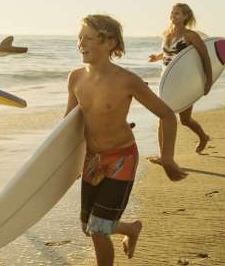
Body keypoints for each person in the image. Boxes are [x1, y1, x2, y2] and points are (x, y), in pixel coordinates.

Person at [68, 15, 187, 266]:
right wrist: (69, 163)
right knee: (88, 227)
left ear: (110, 42)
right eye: (80, 38)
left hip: (122, 158)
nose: (81, 43)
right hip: (92, 159)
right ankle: (131, 229)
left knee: (99, 229)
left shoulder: (126, 81)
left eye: (88, 38)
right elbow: (69, 125)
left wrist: (167, 157)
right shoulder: (75, 78)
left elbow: (166, 115)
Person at [148, 3, 213, 153]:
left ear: (185, 16)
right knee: (163, 118)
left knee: (185, 120)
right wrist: (157, 57)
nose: (173, 15)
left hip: (184, 82)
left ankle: (203, 137)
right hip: (166, 81)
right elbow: (170, 53)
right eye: (172, 12)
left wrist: (208, 81)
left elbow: (205, 58)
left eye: (177, 13)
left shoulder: (191, 36)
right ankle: (163, 156)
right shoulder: (167, 35)